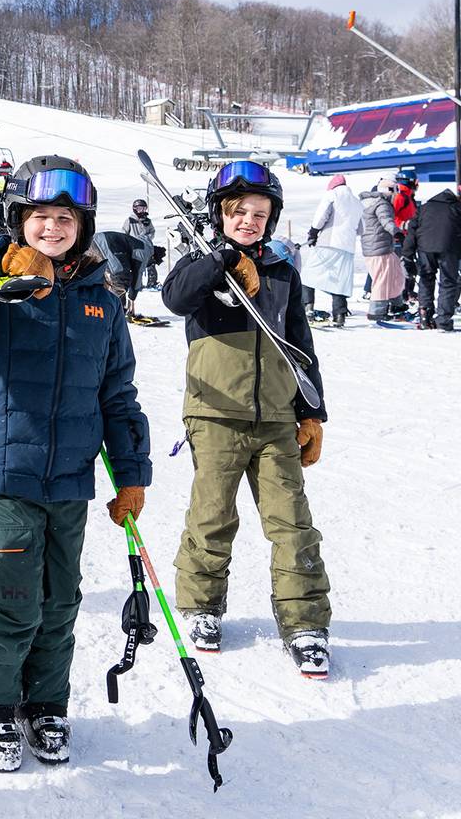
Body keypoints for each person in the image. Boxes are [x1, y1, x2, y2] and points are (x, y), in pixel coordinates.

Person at [0, 154, 151, 772]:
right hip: (5, 468)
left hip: (71, 475)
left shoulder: (102, 303)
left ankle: (45, 699)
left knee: (61, 598)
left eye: (64, 218)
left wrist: (131, 475)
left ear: (83, 223)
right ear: (18, 220)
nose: (51, 228)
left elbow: (118, 395)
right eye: (39, 217)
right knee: (16, 594)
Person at [161, 159, 331, 678]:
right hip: (215, 413)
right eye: (239, 212)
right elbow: (174, 298)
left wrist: (312, 412)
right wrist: (220, 261)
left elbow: (299, 344)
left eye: (260, 214)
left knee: (292, 522)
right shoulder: (199, 264)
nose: (249, 221)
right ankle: (202, 607)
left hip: (277, 416)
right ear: (219, 215)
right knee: (212, 516)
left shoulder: (282, 272)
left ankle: (305, 623)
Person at [404, 180, 461, 331]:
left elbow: (412, 231)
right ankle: (443, 320)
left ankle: (425, 317)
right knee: (448, 282)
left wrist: (407, 255)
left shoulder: (425, 207)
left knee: (426, 278)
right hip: (450, 248)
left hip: (425, 248)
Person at [301, 175, 363, 326]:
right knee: (340, 281)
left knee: (308, 275)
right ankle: (339, 315)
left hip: (328, 243)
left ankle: (307, 308)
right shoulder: (357, 202)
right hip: (347, 247)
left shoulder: (332, 195)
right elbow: (362, 229)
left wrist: (313, 232)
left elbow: (321, 215)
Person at [359, 180, 405, 322]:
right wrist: (396, 232)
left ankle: (396, 304)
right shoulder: (381, 204)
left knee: (396, 274)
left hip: (380, 246)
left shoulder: (369, 203)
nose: (396, 194)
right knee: (382, 279)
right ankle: (376, 311)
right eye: (394, 190)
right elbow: (386, 221)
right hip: (378, 247)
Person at [391, 169, 420, 305]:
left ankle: (409, 291)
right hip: (400, 238)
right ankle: (402, 294)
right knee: (403, 267)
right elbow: (390, 216)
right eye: (415, 181)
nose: (417, 184)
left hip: (409, 237)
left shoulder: (409, 197)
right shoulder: (400, 197)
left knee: (410, 266)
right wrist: (402, 226)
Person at [125, 199, 157, 288]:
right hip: (134, 248)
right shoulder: (130, 220)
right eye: (139, 209)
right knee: (137, 266)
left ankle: (152, 283)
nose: (142, 211)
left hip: (146, 247)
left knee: (151, 264)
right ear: (134, 209)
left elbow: (152, 231)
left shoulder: (147, 221)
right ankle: (137, 285)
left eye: (143, 209)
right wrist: (129, 242)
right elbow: (124, 233)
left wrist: (147, 238)